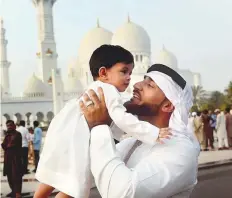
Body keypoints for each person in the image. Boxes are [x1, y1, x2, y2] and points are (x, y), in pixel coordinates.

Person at [34, 45, 170, 198]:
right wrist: (153, 133)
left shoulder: (95, 87)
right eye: (124, 71)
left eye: (130, 73)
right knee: (73, 185)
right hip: (79, 142)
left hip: (64, 135)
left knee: (52, 177)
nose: (129, 77)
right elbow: (122, 119)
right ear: (103, 73)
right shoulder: (109, 90)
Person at [80, 63, 200, 198]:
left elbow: (121, 193)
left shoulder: (181, 151)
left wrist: (99, 125)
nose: (136, 85)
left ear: (167, 106)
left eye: (150, 85)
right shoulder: (132, 142)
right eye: (143, 80)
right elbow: (85, 172)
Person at [1, 120, 23, 198]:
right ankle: (13, 191)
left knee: (16, 175)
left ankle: (17, 193)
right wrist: (6, 145)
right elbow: (3, 145)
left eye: (10, 125)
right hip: (8, 159)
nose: (9, 127)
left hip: (15, 159)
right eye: (8, 126)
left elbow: (10, 145)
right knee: (9, 175)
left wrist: (7, 146)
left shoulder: (17, 134)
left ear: (14, 126)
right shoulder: (8, 135)